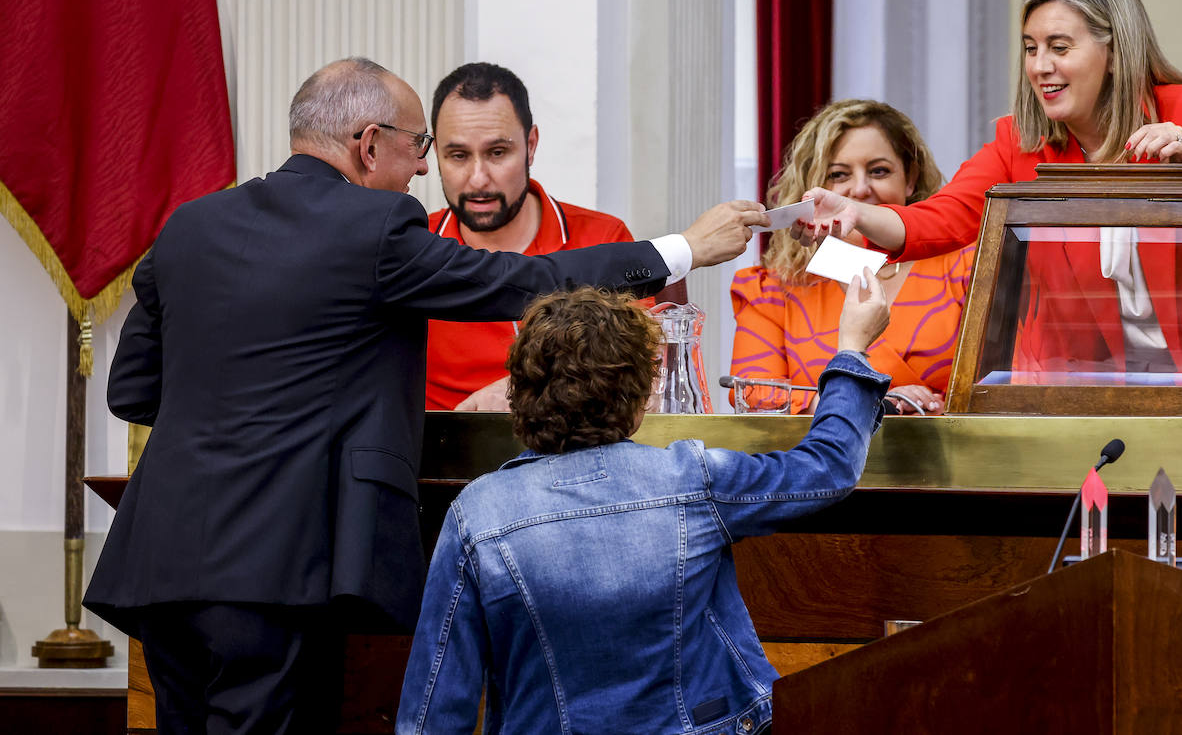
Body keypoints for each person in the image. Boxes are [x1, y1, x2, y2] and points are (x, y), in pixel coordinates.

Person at [82, 57, 768, 734]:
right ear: (369, 143)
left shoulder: (189, 226)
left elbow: (133, 389)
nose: (419, 170)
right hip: (278, 566)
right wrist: (684, 249)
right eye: (418, 148)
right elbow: (523, 281)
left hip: (161, 561)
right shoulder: (376, 228)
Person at [799, 0, 1182, 417]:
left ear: (1115, 53)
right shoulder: (1019, 145)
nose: (1040, 67)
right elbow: (936, 221)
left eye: (1058, 47)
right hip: (1105, 392)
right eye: (1031, 49)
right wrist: (855, 213)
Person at [396, 278, 892, 734]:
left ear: (517, 393)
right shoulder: (690, 478)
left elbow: (436, 701)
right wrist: (851, 349)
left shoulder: (476, 515)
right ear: (639, 402)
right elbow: (828, 467)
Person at [731, 99, 972, 415]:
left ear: (910, 179)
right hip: (823, 461)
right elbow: (753, 396)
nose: (860, 189)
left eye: (879, 171)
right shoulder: (773, 290)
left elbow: (1006, 383)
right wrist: (867, 402)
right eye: (839, 175)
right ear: (812, 188)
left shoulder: (966, 266)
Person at [425, 62, 637, 411]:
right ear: (437, 156)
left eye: (497, 153)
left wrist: (518, 390)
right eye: (458, 156)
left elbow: (645, 380)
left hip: (577, 457)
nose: (478, 179)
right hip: (444, 462)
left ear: (531, 145)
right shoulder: (413, 246)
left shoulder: (605, 238)